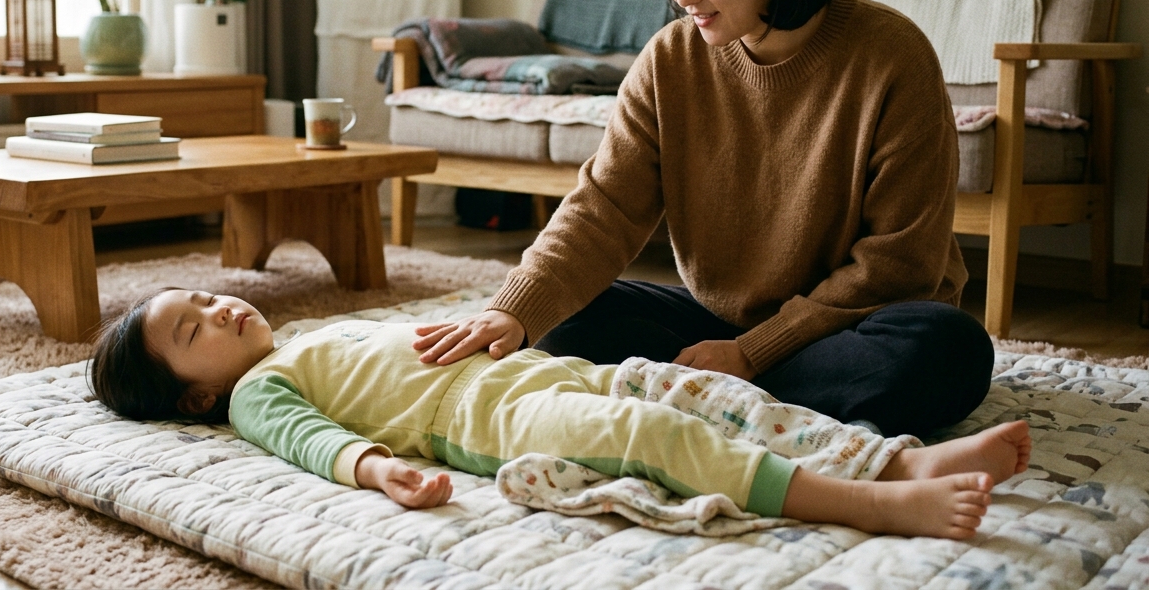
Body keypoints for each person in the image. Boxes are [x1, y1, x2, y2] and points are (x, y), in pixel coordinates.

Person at [411, 0, 992, 438]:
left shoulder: (892, 56)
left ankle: (709, 399)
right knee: (565, 320)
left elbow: (900, 266)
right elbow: (603, 208)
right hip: (719, 325)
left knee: (949, 347)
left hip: (850, 327)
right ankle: (762, 406)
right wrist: (514, 308)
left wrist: (752, 355)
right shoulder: (670, 60)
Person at [88, 288, 1032, 540]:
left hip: (552, 369)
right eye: (192, 329)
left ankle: (898, 463)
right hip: (506, 423)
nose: (218, 310)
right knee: (661, 439)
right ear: (197, 394)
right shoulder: (259, 392)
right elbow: (311, 439)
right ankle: (863, 504)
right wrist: (375, 469)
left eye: (205, 298)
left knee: (714, 393)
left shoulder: (309, 334)